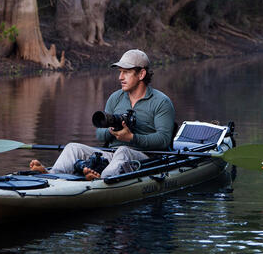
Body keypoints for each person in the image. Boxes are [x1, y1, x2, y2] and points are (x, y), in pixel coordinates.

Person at [29, 49, 175, 179]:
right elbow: (99, 134)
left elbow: (163, 140)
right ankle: (52, 176)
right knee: (72, 147)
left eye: (126, 72)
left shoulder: (161, 102)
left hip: (145, 158)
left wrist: (131, 138)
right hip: (112, 155)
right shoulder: (115, 98)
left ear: (141, 74)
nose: (120, 77)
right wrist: (112, 131)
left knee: (123, 151)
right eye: (120, 72)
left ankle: (100, 181)